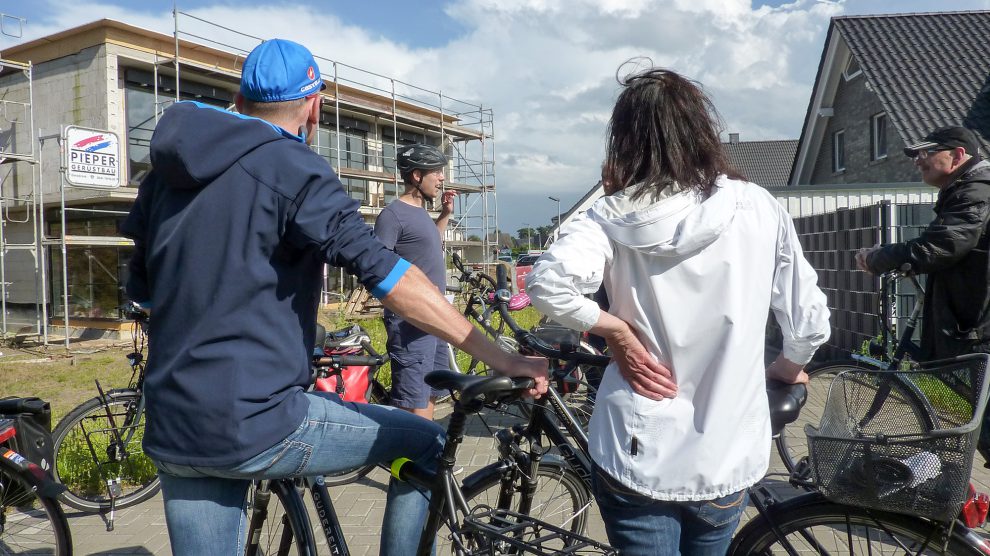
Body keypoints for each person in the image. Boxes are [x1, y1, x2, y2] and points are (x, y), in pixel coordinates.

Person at [120, 38, 547, 555]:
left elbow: (142, 290)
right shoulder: (292, 167)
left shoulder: (162, 177)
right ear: (314, 102)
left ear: (241, 98)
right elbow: (389, 278)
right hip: (259, 423)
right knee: (426, 442)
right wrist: (502, 357)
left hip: (173, 425)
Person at [525, 66, 831, 556]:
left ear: (625, 140)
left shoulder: (607, 214)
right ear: (699, 129)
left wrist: (615, 332)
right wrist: (788, 366)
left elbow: (547, 287)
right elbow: (809, 319)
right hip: (727, 452)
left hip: (636, 445)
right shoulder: (757, 205)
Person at [856, 125, 990, 459]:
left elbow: (945, 243)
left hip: (981, 324)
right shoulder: (966, 190)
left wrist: (881, 258)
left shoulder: (976, 191)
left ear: (958, 156)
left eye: (927, 152)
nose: (919, 160)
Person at [375, 144, 456, 420]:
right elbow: (377, 267)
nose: (442, 178)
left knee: (430, 390)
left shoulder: (421, 212)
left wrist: (444, 215)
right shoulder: (392, 215)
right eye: (437, 172)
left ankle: (428, 457)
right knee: (412, 399)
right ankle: (410, 460)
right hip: (411, 323)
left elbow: (428, 246)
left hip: (435, 319)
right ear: (417, 176)